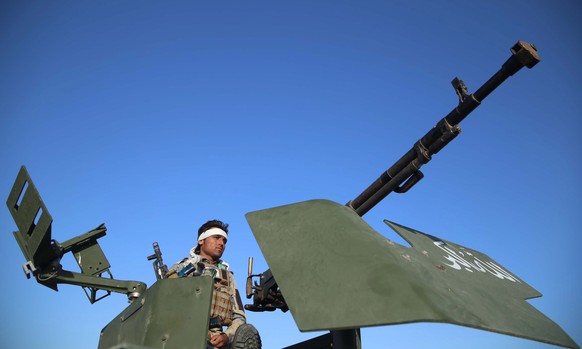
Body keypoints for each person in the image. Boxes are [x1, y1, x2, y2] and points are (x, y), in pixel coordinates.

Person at [168, 219, 259, 349]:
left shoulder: (228, 276)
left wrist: (227, 336)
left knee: (249, 332)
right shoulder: (183, 268)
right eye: (216, 237)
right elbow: (167, 306)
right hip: (186, 337)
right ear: (201, 240)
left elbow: (239, 317)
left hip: (218, 341)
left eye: (224, 240)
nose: (221, 243)